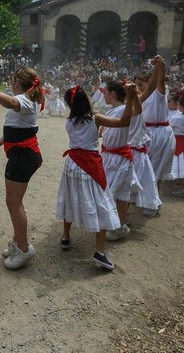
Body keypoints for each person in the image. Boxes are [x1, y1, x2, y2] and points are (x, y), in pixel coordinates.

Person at [58, 84, 138, 270]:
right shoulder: (96, 119)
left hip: (72, 164)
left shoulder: (68, 122)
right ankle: (99, 252)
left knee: (70, 198)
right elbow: (125, 122)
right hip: (90, 166)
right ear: (86, 100)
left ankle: (65, 236)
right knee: (102, 203)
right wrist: (131, 98)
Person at [0, 67, 44, 270]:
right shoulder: (25, 100)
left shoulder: (23, 100)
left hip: (23, 157)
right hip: (22, 155)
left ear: (18, 81)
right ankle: (18, 242)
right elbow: (13, 133)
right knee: (14, 202)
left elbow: (11, 102)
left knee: (13, 203)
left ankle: (24, 248)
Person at [101, 80, 143, 241]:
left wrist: (133, 96)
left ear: (112, 94)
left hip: (119, 158)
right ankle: (116, 222)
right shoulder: (111, 111)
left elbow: (137, 111)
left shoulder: (123, 110)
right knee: (111, 192)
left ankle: (120, 226)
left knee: (119, 194)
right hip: (108, 156)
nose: (103, 94)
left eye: (105, 92)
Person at [135, 55, 172, 216]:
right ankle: (147, 199)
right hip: (147, 133)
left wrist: (159, 67)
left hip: (161, 133)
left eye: (141, 85)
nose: (138, 88)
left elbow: (160, 81)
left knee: (157, 169)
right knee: (145, 168)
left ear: (150, 82)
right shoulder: (140, 97)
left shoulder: (159, 92)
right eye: (136, 85)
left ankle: (153, 203)